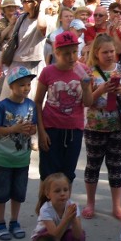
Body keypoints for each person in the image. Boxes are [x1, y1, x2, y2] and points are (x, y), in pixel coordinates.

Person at [83, 34, 121, 220]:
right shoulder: (89, 72)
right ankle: (90, 203)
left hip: (119, 127)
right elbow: (86, 101)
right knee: (93, 166)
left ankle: (117, 207)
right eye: (104, 52)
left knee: (115, 165)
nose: (109, 55)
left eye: (112, 51)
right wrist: (101, 90)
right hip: (95, 127)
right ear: (96, 53)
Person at [35, 31, 92, 184]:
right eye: (66, 53)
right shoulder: (48, 72)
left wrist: (86, 88)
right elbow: (38, 101)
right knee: (48, 174)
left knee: (67, 174)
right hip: (51, 128)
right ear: (57, 52)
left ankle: (65, 207)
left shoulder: (84, 71)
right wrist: (41, 132)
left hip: (74, 129)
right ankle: (44, 206)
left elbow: (88, 103)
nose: (72, 57)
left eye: (74, 52)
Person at [0, 66, 37, 241]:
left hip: (22, 159)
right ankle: (0, 222)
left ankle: (14, 221)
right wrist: (14, 129)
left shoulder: (31, 105)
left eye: (28, 84)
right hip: (2, 158)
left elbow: (34, 129)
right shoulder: (3, 106)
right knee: (0, 193)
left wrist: (31, 130)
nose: (26, 88)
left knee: (18, 193)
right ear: (11, 86)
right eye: (22, 85)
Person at [0, 0, 48, 104]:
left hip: (34, 65)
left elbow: (41, 26)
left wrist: (41, 9)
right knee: (9, 100)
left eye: (25, 1)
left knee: (32, 101)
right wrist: (1, 62)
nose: (22, 4)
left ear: (35, 3)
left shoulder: (43, 19)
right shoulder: (22, 18)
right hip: (16, 63)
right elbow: (12, 41)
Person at [32, 173, 86, 241]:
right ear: (48, 194)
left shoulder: (72, 205)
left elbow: (78, 235)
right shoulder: (46, 209)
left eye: (66, 190)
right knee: (46, 232)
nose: (62, 194)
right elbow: (54, 237)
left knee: (81, 235)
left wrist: (74, 219)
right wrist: (66, 219)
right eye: (57, 191)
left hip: (60, 238)